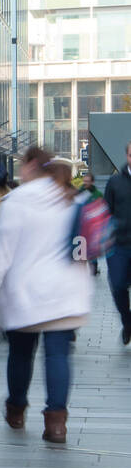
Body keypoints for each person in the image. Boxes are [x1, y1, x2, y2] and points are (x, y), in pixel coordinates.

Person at [0, 148, 90, 445]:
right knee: (58, 356)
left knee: (21, 353)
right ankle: (56, 425)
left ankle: (16, 409)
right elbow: (84, 251)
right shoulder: (74, 199)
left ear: (31, 166)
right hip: (65, 293)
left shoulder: (17, 201)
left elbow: (0, 254)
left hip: (25, 294)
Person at [103, 140, 131, 346]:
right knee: (118, 286)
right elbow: (106, 212)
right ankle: (127, 321)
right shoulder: (115, 182)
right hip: (119, 245)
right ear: (127, 156)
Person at [78, 171, 102, 276]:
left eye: (88, 181)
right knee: (81, 249)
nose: (85, 183)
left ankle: (94, 269)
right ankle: (81, 271)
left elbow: (102, 209)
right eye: (84, 181)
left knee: (92, 249)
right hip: (81, 226)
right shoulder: (79, 192)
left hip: (93, 226)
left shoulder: (98, 194)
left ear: (92, 182)